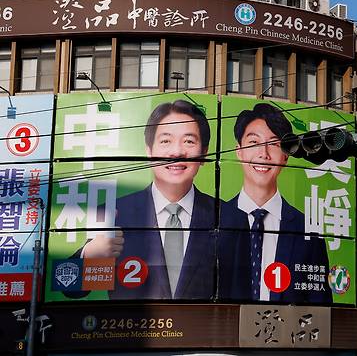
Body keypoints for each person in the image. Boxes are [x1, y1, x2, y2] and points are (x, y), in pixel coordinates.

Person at [81, 100, 215, 300]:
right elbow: (71, 288)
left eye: (188, 141)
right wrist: (90, 256)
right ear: (149, 150)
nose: (176, 152)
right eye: (165, 141)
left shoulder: (227, 215)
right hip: (131, 328)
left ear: (204, 153)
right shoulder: (116, 211)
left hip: (207, 329)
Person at [218, 103, 331, 303]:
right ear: (239, 151)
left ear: (286, 155)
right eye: (254, 142)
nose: (264, 154)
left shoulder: (308, 229)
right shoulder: (215, 220)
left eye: (274, 143)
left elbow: (320, 302)